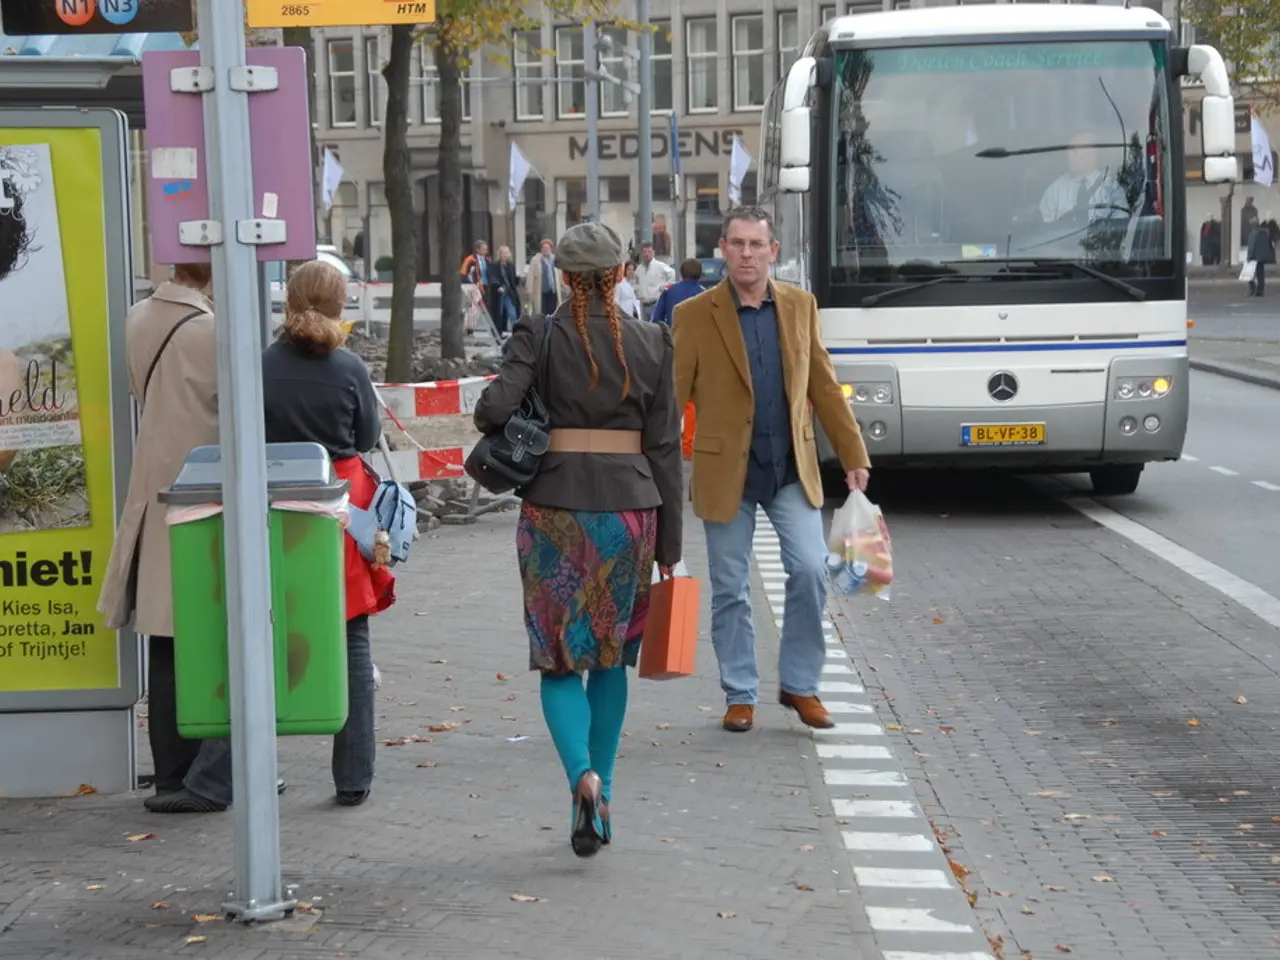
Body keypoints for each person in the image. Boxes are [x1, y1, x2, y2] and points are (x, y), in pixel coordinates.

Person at [473, 221, 682, 858]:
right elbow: (666, 447)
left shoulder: (539, 335)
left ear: (563, 277)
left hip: (554, 511)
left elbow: (490, 412)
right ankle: (606, 792)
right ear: (622, 274)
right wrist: (670, 543)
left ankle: (579, 778)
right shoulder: (652, 342)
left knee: (558, 657)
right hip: (630, 514)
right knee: (611, 655)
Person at [673, 206, 871, 734]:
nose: (745, 253)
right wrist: (654, 465)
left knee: (810, 571)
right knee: (731, 587)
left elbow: (824, 386)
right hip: (725, 473)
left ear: (773, 250)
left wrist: (854, 455)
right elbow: (672, 398)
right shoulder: (694, 315)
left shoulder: (800, 306)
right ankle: (740, 694)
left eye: (756, 245)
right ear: (722, 249)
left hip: (789, 467)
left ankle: (800, 685)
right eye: (736, 243)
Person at [260, 260, 396, 806]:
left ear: (289, 301)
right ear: (341, 307)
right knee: (351, 637)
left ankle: (260, 767)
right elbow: (365, 435)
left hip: (273, 505)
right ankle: (353, 777)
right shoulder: (349, 368)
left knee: (266, 637)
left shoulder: (262, 364)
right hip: (340, 506)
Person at [97, 263, 229, 810]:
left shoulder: (135, 318)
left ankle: (171, 770)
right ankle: (210, 771)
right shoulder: (211, 332)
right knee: (213, 636)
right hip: (207, 493)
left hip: (154, 489)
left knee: (165, 636)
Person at [1039, 132, 1129, 225]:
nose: (1069, 156)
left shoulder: (1111, 189)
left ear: (1091, 154)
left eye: (1075, 151)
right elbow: (1044, 227)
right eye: (1068, 151)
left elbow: (1120, 224)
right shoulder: (1056, 190)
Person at [651, 258, 705, 327]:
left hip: (673, 335)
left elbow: (656, 319)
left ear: (681, 273)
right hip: (697, 336)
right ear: (700, 275)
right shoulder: (705, 294)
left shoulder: (669, 291)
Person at [633, 241, 675, 320]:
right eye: (644, 252)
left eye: (649, 251)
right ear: (642, 253)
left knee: (655, 326)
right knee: (645, 328)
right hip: (643, 304)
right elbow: (636, 282)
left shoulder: (660, 266)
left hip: (655, 303)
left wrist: (665, 287)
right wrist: (637, 291)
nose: (646, 254)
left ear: (653, 253)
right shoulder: (639, 269)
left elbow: (672, 275)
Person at [525, 237, 565, 316]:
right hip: (541, 291)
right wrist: (529, 291)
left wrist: (564, 287)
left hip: (553, 291)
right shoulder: (535, 260)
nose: (545, 249)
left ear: (551, 249)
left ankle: (550, 327)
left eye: (547, 248)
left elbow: (560, 275)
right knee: (541, 312)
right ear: (541, 249)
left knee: (553, 312)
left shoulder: (555, 259)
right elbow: (530, 277)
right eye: (544, 248)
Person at [489, 245, 521, 336]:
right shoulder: (494, 265)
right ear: (500, 254)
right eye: (504, 253)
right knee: (499, 313)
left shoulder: (511, 265)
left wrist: (518, 279)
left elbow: (513, 281)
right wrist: (498, 286)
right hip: (499, 293)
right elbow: (493, 277)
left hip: (509, 293)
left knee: (512, 313)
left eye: (507, 253)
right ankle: (498, 333)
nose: (506, 255)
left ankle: (516, 333)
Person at [1246, 218, 1277, 297]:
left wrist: (1249, 256)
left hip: (1254, 256)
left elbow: (1251, 246)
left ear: (1252, 224)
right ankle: (1260, 290)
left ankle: (1252, 289)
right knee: (1260, 274)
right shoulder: (1264, 232)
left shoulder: (1253, 233)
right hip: (1262, 257)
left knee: (1249, 274)